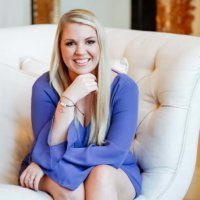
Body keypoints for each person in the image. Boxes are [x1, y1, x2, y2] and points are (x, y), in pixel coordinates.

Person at [19, 9, 142, 200]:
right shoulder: (44, 87)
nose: (80, 51)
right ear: (60, 48)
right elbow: (47, 144)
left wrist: (45, 162)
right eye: (70, 43)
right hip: (57, 166)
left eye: (90, 41)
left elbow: (115, 152)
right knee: (71, 189)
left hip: (111, 168)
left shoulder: (125, 88)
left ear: (100, 44)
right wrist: (67, 100)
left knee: (101, 174)